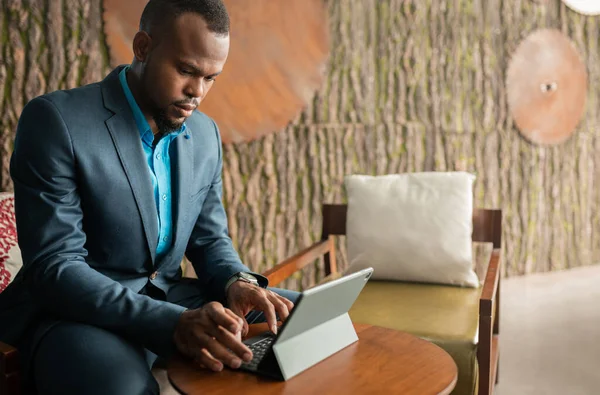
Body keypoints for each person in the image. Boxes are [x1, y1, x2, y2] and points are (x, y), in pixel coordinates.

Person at [0, 0, 299, 393]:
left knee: (304, 320)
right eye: (187, 71)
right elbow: (56, 267)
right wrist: (172, 323)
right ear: (143, 47)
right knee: (122, 388)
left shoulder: (205, 134)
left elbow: (210, 240)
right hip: (74, 311)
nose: (197, 92)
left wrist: (236, 282)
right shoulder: (56, 120)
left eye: (211, 78)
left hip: (172, 296)